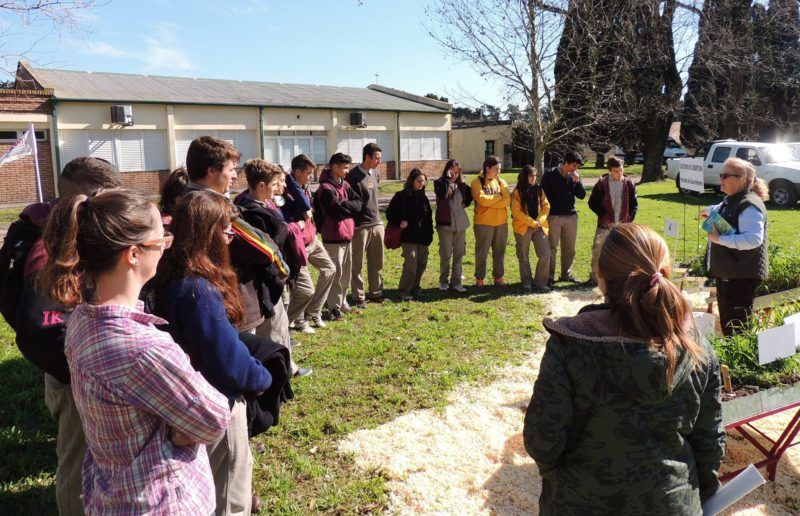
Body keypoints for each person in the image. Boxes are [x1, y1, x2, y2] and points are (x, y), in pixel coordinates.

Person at [39, 188, 230, 514]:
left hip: (114, 493)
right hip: (162, 502)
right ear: (133, 254)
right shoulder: (143, 348)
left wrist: (174, 424)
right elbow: (213, 419)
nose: (165, 248)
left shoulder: (82, 319)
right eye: (161, 241)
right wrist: (176, 428)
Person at [524, 223, 725, 515]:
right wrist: (699, 494)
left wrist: (565, 478)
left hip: (581, 503)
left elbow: (542, 440)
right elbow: (710, 443)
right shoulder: (697, 350)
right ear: (664, 274)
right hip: (670, 503)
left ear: (601, 277)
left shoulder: (569, 347)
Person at [13, 156, 122, 516]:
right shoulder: (54, 247)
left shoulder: (67, 233)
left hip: (83, 368)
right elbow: (36, 331)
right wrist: (77, 370)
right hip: (75, 376)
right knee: (78, 466)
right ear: (97, 193)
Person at [153, 191, 273, 516]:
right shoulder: (198, 290)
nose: (230, 235)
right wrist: (261, 377)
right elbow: (225, 360)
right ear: (206, 233)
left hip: (190, 403)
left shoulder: (171, 275)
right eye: (224, 229)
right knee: (229, 491)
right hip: (217, 403)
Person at [236, 158, 311, 377]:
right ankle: (283, 371)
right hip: (268, 279)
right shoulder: (252, 213)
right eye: (273, 183)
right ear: (260, 185)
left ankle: (285, 366)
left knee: (279, 323)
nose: (279, 187)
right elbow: (266, 252)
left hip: (274, 276)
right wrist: (279, 275)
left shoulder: (265, 204)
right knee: (275, 327)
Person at [702, 157, 769, 336]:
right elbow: (716, 209)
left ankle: (740, 362)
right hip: (730, 272)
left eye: (725, 175)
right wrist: (708, 212)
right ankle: (732, 361)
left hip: (740, 275)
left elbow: (754, 239)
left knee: (737, 327)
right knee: (728, 324)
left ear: (742, 179)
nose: (720, 179)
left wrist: (718, 239)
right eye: (720, 174)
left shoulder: (749, 206)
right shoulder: (731, 199)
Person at [282, 154, 335, 332]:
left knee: (329, 269)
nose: (311, 177)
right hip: (298, 245)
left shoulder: (305, 187)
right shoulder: (285, 190)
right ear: (297, 172)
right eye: (308, 173)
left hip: (312, 238)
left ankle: (314, 312)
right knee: (304, 290)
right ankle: (294, 322)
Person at [313, 153, 362, 321]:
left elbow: (358, 203)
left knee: (346, 272)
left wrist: (346, 206)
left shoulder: (345, 184)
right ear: (335, 167)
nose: (347, 171)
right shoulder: (325, 188)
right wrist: (348, 207)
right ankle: (334, 308)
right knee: (336, 273)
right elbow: (336, 210)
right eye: (345, 167)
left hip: (347, 234)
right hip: (333, 236)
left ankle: (342, 302)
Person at [587, 156, 638, 285]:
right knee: (598, 251)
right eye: (616, 171)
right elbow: (592, 202)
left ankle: (621, 279)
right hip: (605, 224)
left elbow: (634, 204)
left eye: (620, 170)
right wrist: (603, 214)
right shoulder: (601, 183)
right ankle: (594, 279)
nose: (619, 173)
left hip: (623, 225)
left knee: (624, 252)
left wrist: (629, 218)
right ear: (610, 170)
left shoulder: (629, 183)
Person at [346, 143, 385, 307]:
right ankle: (358, 296)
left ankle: (376, 292)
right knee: (357, 264)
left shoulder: (375, 172)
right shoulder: (352, 175)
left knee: (377, 262)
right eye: (376, 158)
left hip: (377, 223)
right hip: (359, 226)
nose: (379, 161)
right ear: (367, 157)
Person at [386, 169, 434, 300]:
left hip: (423, 237)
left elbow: (429, 217)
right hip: (408, 237)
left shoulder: (423, 198)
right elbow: (390, 214)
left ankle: (415, 287)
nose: (421, 184)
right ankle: (404, 290)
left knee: (421, 264)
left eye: (423, 182)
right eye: (418, 181)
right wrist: (399, 222)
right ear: (411, 181)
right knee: (411, 265)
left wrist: (430, 234)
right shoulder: (401, 196)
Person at [541, 151, 586, 285]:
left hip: (571, 217)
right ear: (565, 162)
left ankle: (566, 274)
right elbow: (542, 195)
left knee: (569, 248)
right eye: (573, 165)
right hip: (554, 217)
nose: (575, 168)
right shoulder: (550, 174)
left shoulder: (575, 176)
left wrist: (577, 182)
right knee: (552, 247)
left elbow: (582, 195)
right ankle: (549, 276)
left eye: (577, 166)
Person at [470, 155, 511, 286]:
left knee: (499, 253)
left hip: (501, 223)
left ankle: (498, 278)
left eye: (499, 169)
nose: (499, 172)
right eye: (496, 169)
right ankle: (479, 279)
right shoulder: (477, 182)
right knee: (482, 253)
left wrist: (491, 201)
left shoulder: (501, 182)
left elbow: (508, 200)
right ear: (488, 168)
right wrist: (498, 197)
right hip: (483, 223)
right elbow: (482, 200)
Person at [433, 159, 472, 293]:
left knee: (459, 254)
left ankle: (456, 282)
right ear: (447, 171)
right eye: (452, 172)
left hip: (460, 225)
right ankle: (443, 281)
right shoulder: (440, 183)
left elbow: (467, 201)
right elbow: (443, 194)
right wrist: (447, 179)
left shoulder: (462, 185)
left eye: (457, 172)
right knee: (445, 254)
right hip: (445, 225)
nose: (454, 174)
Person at [511, 165, 551, 293]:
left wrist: (539, 221)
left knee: (545, 254)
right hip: (523, 227)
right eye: (531, 176)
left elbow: (546, 207)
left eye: (535, 176)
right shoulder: (517, 193)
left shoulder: (539, 190)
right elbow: (516, 212)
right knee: (523, 255)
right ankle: (526, 282)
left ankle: (540, 282)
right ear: (525, 177)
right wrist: (531, 222)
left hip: (539, 227)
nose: (534, 178)